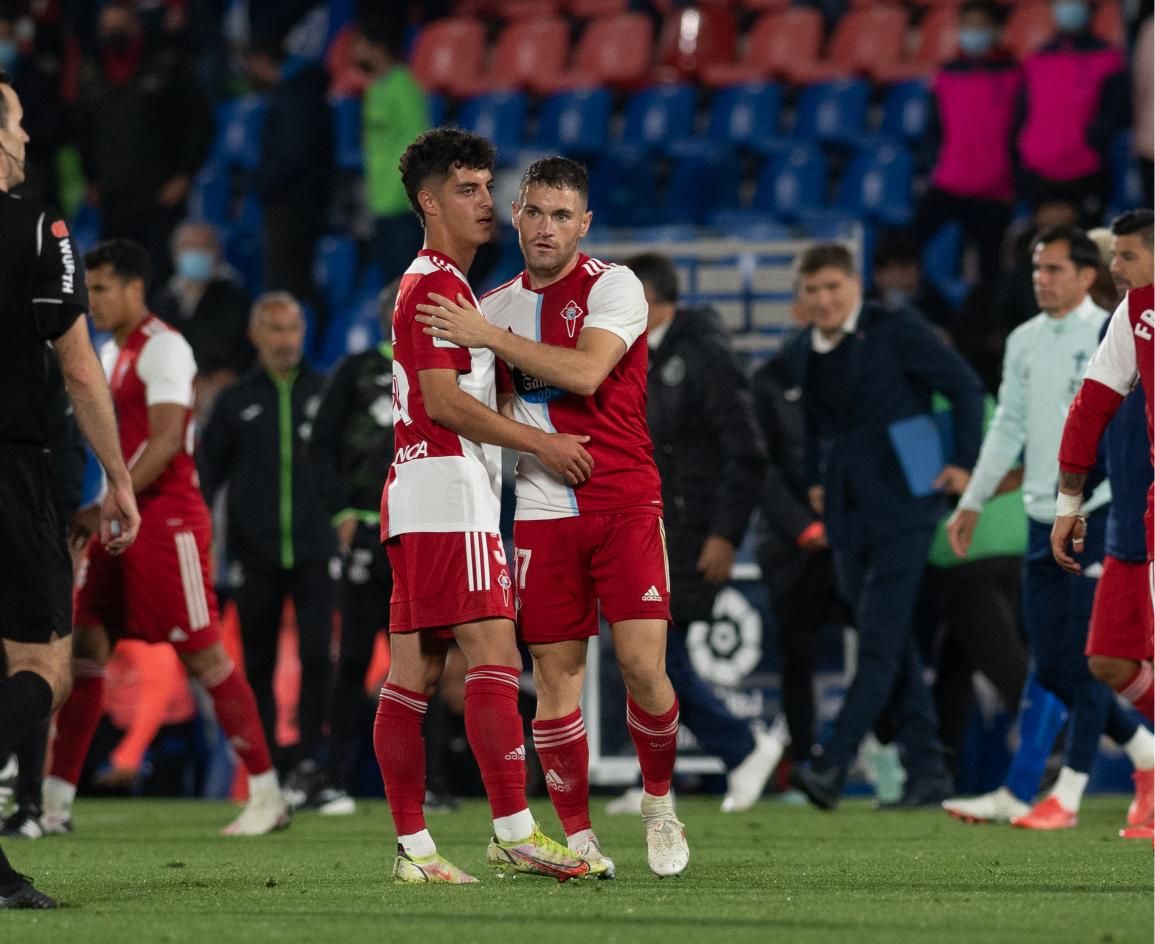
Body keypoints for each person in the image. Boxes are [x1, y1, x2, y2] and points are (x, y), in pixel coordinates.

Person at [416, 156, 690, 878]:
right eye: (534, 212)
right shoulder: (496, 302)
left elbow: (586, 372)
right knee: (556, 676)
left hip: (625, 498)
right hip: (540, 509)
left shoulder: (613, 285)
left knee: (641, 668)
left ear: (584, 224)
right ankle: (579, 835)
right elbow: (487, 408)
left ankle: (658, 803)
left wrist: (487, 337)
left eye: (562, 215)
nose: (546, 228)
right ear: (516, 215)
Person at [374, 129, 592, 884]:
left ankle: (415, 851)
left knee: (414, 671)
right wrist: (540, 447)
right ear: (429, 204)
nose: (486, 203)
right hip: (447, 489)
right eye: (466, 190)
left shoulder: (436, 284)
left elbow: (451, 394)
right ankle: (513, 830)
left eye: (486, 186)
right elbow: (443, 403)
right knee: (496, 654)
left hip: (415, 491)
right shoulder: (436, 285)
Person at [43, 239, 289, 838]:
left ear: (134, 289)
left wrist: (104, 504)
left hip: (167, 520)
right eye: (89, 288)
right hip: (120, 521)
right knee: (86, 649)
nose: (91, 300)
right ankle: (52, 804)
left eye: (101, 289)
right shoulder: (112, 350)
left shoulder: (165, 348)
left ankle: (266, 794)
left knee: (202, 651)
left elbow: (166, 439)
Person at [943, 226, 1153, 830]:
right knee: (1058, 663)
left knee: (1092, 656)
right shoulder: (1023, 341)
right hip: (1045, 516)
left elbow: (1124, 434)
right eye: (1037, 268)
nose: (1043, 278)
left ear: (1087, 276)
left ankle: (1067, 792)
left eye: (1056, 268)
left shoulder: (1115, 326)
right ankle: (1143, 753)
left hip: (1104, 512)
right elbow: (1007, 426)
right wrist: (974, 501)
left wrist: (1092, 502)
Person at [777, 243, 984, 812]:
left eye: (832, 288)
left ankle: (834, 765)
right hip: (846, 514)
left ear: (854, 286)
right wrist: (815, 476)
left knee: (878, 642)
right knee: (885, 641)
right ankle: (928, 774)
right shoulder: (802, 349)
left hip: (907, 503)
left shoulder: (895, 327)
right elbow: (818, 425)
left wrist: (964, 463)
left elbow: (964, 387)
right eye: (812, 290)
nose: (823, 300)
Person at [0, 72, 140, 909]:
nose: (23, 141)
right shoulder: (39, 229)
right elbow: (81, 369)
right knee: (45, 664)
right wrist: (117, 479)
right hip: (11, 467)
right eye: (13, 125)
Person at [614, 251, 784, 813]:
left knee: (657, 662)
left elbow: (747, 453)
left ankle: (745, 747)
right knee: (648, 658)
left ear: (649, 301)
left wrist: (725, 534)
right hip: (655, 526)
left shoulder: (704, 355)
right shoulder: (649, 357)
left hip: (690, 530)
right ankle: (658, 781)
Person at [198, 291, 337, 798]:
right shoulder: (235, 402)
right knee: (255, 662)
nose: (286, 340)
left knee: (320, 655)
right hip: (253, 554)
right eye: (275, 330)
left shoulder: (325, 393)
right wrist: (201, 537)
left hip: (317, 548)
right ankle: (269, 768)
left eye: (294, 329)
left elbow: (354, 464)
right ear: (255, 336)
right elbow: (206, 476)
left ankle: (309, 764)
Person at [1052, 209, 1155, 840]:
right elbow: (1090, 408)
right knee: (1108, 658)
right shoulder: (1134, 314)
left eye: (1125, 257)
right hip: (1138, 513)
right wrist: (1069, 505)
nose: (1113, 269)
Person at [750, 302, 854, 772]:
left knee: (885, 643)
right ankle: (806, 760)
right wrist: (802, 526)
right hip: (792, 545)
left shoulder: (858, 370)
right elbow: (761, 466)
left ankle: (889, 746)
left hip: (853, 536)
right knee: (798, 652)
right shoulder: (770, 379)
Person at [73, 0, 212, 283]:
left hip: (159, 191)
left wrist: (184, 173)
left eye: (117, 27)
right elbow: (84, 126)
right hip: (113, 194)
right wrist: (91, 176)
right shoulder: (92, 66)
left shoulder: (168, 59)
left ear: (134, 22)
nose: (111, 34)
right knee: (118, 275)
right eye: (106, 28)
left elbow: (198, 121)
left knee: (157, 276)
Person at [912, 0, 1019, 288]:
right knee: (906, 245)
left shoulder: (1014, 75)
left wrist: (1015, 183)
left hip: (995, 190)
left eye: (980, 26)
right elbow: (933, 130)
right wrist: (935, 164)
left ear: (996, 30)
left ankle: (986, 330)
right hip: (949, 183)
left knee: (990, 272)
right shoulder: (947, 74)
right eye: (967, 26)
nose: (972, 33)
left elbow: (1020, 132)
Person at [1016, 0, 1127, 223]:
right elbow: (1023, 113)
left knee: (1088, 247)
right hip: (1040, 170)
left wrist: (1090, 141)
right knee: (1046, 250)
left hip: (1086, 170)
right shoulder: (1037, 58)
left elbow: (1117, 113)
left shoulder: (1108, 58)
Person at [245, 33, 331, 323]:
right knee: (293, 280)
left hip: (292, 201)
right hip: (296, 198)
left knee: (289, 283)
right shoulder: (299, 89)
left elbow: (294, 152)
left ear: (261, 61)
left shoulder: (296, 93)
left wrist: (264, 184)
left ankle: (300, 339)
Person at [153, 220, 254, 424]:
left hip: (216, 382)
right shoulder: (163, 299)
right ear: (175, 254)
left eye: (204, 246)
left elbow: (230, 347)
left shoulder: (235, 297)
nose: (196, 252)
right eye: (189, 246)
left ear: (217, 252)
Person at [352, 15, 428, 285]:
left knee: (406, 288)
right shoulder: (374, 89)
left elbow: (419, 142)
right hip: (380, 203)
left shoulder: (403, 86)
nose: (355, 50)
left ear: (377, 46)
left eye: (360, 43)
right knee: (390, 289)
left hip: (401, 205)